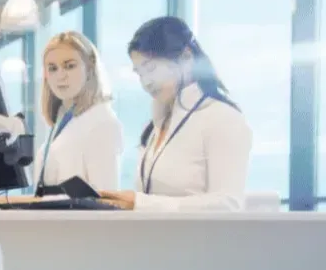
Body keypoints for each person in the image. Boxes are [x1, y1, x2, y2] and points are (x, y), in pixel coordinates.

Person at [99, 16, 253, 211]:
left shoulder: (222, 118)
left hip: (196, 240)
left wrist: (140, 203)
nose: (146, 82)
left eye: (151, 68)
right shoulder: (160, 122)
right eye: (139, 73)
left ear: (186, 58)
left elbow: (228, 203)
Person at [34, 31, 123, 194]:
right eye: (52, 68)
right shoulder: (62, 118)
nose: (60, 76)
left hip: (77, 219)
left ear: (89, 68)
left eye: (70, 66)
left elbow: (106, 197)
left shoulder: (101, 122)